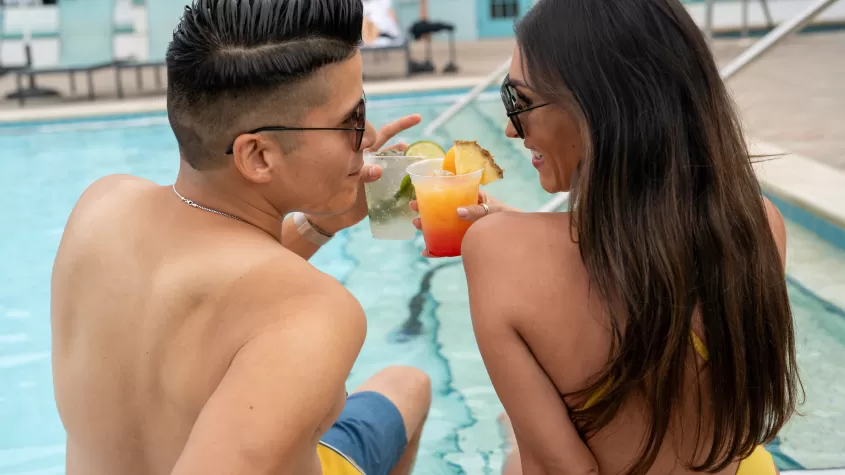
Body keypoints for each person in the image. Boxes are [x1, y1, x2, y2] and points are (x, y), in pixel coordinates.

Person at [413, 0, 801, 474]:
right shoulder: (758, 225)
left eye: (520, 101)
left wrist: (504, 237)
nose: (512, 130)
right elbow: (641, 264)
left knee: (515, 445)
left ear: (599, 107)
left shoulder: (497, 253)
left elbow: (560, 469)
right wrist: (515, 229)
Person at [50, 1, 431, 475]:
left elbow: (215, 296)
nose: (369, 134)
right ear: (258, 157)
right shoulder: (317, 311)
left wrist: (323, 221)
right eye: (351, 122)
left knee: (408, 385)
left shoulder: (100, 207)